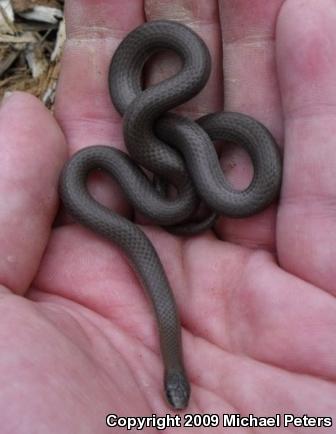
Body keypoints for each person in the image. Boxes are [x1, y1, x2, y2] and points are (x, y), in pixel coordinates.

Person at [1, 0, 335, 432]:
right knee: (175, 188)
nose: (178, 404)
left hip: (171, 163)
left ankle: (178, 195)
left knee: (179, 184)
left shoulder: (164, 146)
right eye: (178, 397)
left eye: (175, 396)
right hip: (171, 171)